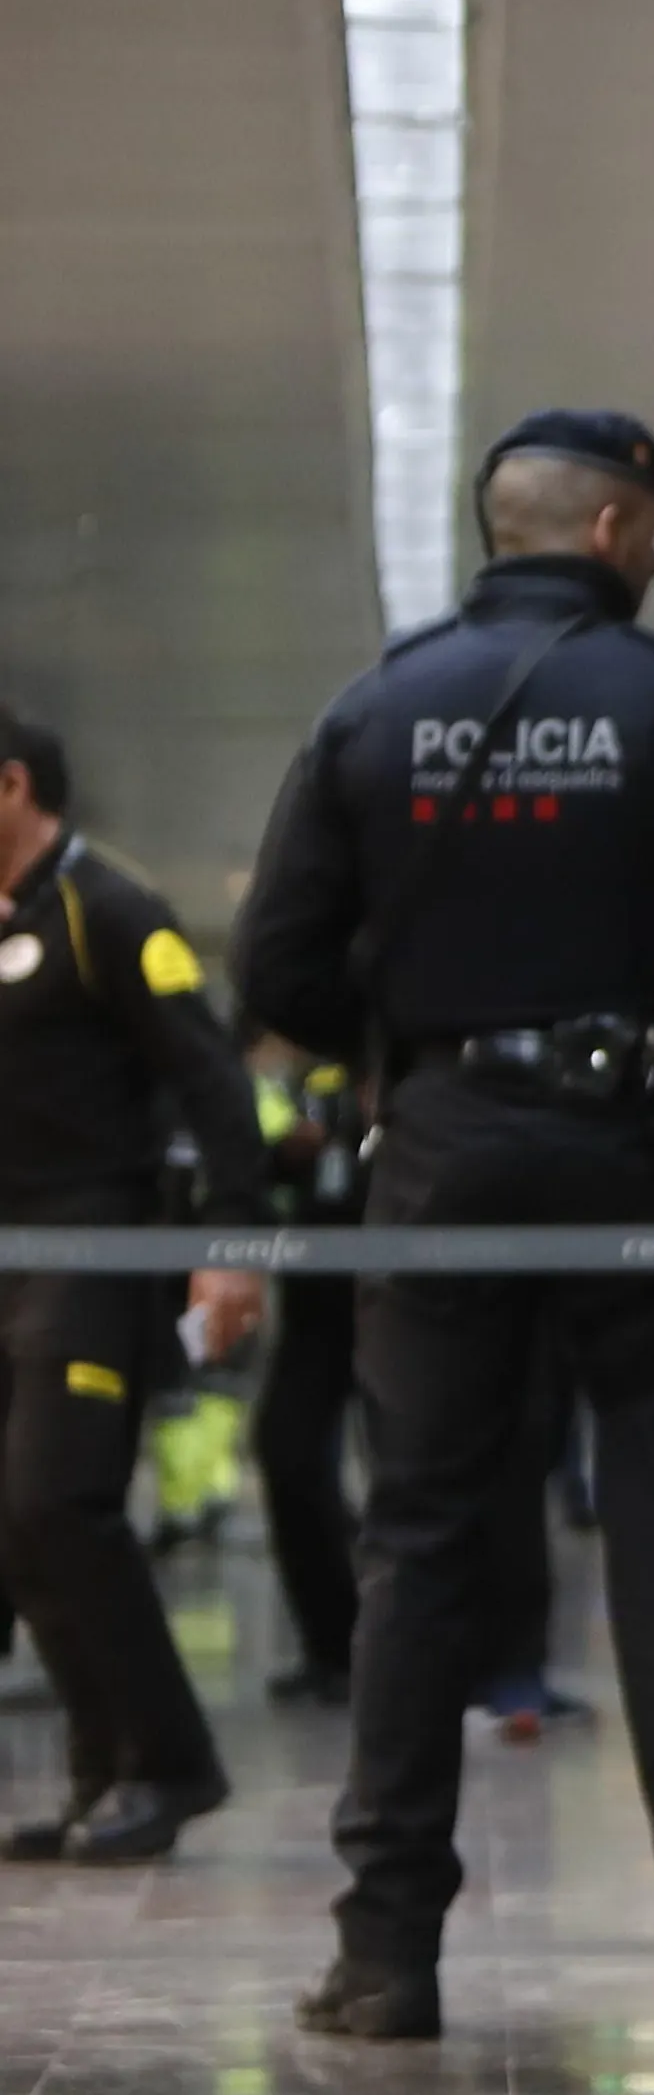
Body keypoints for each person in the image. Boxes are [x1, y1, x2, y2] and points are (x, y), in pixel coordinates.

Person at [235, 409, 654, 2041]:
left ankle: (386, 1953)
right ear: (618, 526)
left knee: (419, 1533)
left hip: (441, 1157)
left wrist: (406, 1062)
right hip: (637, 1151)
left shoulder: (377, 703)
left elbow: (273, 967)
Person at [0, 703, 273, 1862]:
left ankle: (170, 1763)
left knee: (62, 1503)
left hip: (97, 1251)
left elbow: (213, 1085)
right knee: (17, 1525)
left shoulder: (107, 910)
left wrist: (235, 1243)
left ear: (11, 786)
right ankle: (99, 1773)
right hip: (10, 1260)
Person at [246, 1046, 369, 1706]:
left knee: (417, 1479)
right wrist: (288, 1155)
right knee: (286, 1452)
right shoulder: (308, 1081)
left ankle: (438, 1657)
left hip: (401, 1298)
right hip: (316, 1304)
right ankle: (333, 1645)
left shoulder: (416, 1056)